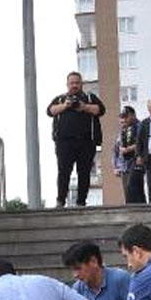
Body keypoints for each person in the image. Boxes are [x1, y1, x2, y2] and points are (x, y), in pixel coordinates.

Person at [47, 71, 106, 207]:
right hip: (64, 142)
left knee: (84, 172)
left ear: (81, 84)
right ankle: (60, 201)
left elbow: (100, 110)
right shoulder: (60, 99)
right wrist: (65, 105)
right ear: (67, 84)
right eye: (72, 83)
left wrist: (83, 107)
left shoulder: (90, 98)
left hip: (86, 142)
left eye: (77, 83)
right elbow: (50, 111)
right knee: (63, 171)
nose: (74, 86)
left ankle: (81, 202)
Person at [113, 107, 146, 204]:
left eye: (126, 117)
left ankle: (137, 211)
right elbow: (115, 150)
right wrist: (116, 166)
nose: (124, 120)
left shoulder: (140, 127)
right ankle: (133, 210)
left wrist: (128, 149)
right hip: (124, 166)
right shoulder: (123, 131)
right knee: (128, 191)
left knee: (133, 188)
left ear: (133, 115)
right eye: (122, 118)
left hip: (136, 161)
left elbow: (143, 144)